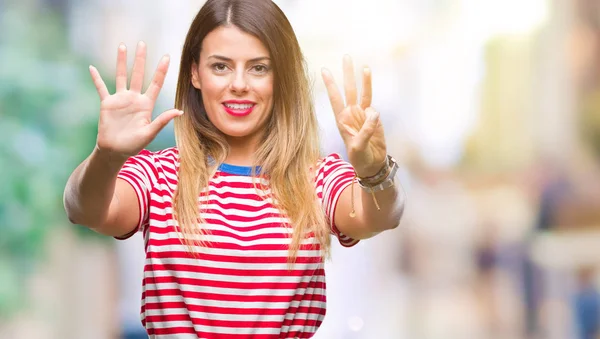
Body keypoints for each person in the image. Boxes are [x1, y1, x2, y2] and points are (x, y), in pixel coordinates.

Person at [63, 0, 405, 337]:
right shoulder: (160, 176)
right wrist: (106, 154)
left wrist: (374, 171)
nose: (239, 84)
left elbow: (381, 217)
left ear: (280, 77)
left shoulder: (315, 178)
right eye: (221, 66)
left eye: (258, 67)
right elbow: (84, 209)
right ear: (195, 73)